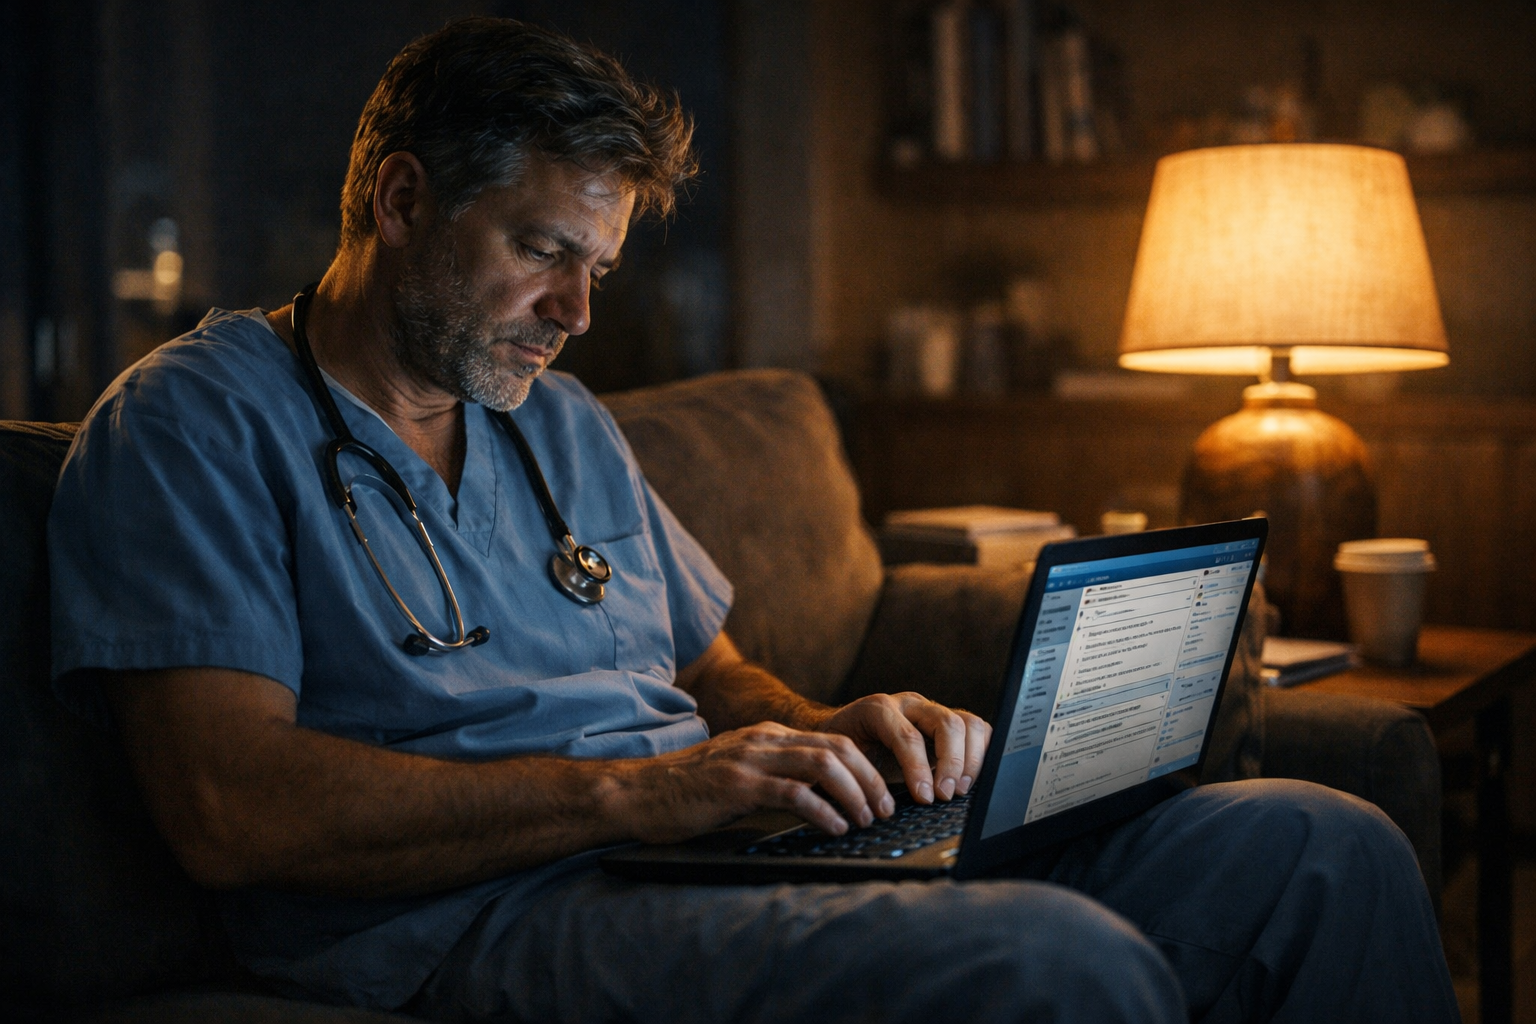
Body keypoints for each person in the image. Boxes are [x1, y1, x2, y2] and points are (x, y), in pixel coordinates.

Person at [49, 17, 1458, 1024]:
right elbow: (228, 810)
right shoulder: (193, 423)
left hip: (691, 854)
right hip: (478, 920)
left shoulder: (559, 421)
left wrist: (831, 734)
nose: (578, 312)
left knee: (1315, 847)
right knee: (1044, 963)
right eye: (544, 250)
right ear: (403, 199)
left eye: (597, 265)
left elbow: (716, 676)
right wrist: (631, 794)